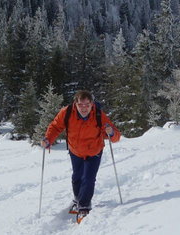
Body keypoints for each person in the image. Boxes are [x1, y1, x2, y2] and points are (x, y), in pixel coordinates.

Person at [42, 90, 121, 218]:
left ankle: (84, 205)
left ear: (92, 104)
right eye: (80, 105)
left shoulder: (98, 114)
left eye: (87, 105)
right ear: (75, 104)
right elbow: (55, 126)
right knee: (76, 178)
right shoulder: (67, 112)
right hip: (76, 151)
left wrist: (111, 132)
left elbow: (116, 136)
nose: (84, 108)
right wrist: (48, 139)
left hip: (94, 151)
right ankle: (78, 198)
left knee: (88, 178)